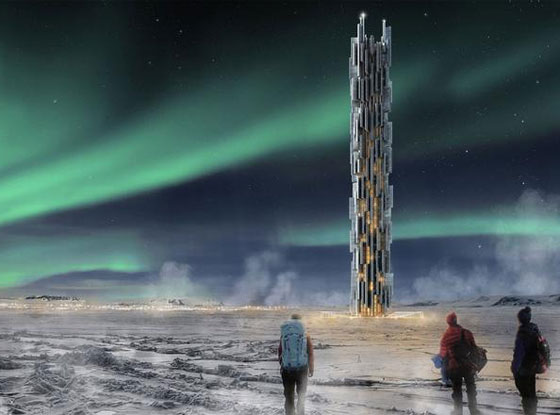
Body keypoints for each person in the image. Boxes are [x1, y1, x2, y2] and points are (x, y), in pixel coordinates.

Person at [439, 312, 480, 415]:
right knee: (471, 388)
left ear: (448, 322)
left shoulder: (445, 336)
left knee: (457, 390)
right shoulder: (466, 333)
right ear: (456, 320)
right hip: (468, 366)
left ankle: (458, 411)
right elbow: (474, 347)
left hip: (454, 367)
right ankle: (473, 410)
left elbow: (443, 354)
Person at [278, 314, 314, 415]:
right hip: (302, 369)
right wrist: (311, 368)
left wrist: (282, 365)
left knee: (289, 397)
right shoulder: (305, 333)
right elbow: (310, 352)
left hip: (287, 369)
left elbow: (280, 351)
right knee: (301, 396)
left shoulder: (285, 333)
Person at [511, 306, 540, 415]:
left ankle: (528, 412)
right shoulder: (535, 330)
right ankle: (533, 412)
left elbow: (519, 353)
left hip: (524, 368)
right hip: (533, 366)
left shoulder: (522, 333)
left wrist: (514, 369)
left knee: (525, 394)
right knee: (532, 393)